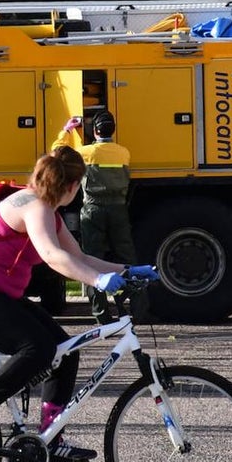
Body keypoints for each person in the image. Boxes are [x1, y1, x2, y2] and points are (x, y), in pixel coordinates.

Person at [0, 145, 158, 462]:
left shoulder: (46, 211)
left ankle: (51, 438)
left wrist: (126, 271)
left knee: (63, 350)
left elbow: (79, 257)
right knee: (37, 348)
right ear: (71, 186)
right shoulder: (34, 206)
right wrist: (97, 282)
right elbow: (54, 257)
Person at [52, 111, 150, 324]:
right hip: (118, 210)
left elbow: (58, 152)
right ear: (112, 130)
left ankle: (101, 314)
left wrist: (67, 130)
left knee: (91, 259)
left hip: (93, 211)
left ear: (94, 131)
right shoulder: (124, 153)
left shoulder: (85, 153)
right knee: (127, 259)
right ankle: (138, 311)